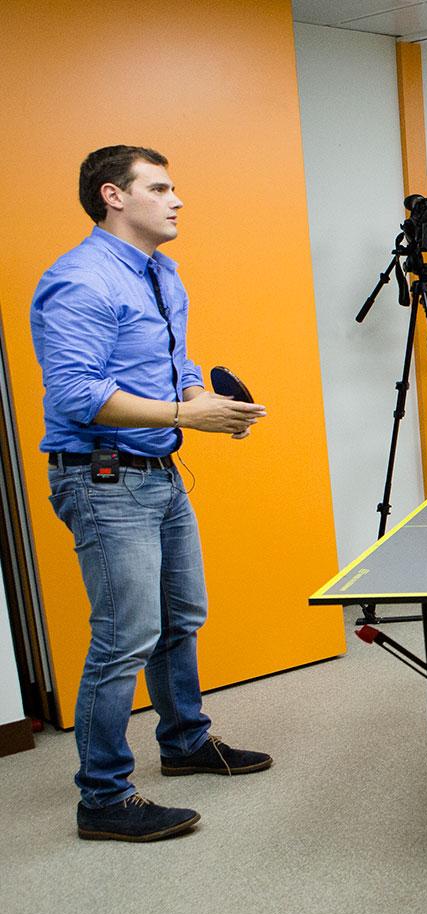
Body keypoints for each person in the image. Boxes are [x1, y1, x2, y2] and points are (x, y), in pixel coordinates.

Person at [30, 145, 272, 843]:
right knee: (123, 637)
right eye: (160, 187)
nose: (177, 199)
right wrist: (182, 415)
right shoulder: (78, 281)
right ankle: (102, 797)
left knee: (179, 619)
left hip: (157, 473)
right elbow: (77, 394)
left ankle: (185, 743)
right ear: (113, 196)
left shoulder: (161, 271)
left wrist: (202, 399)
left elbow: (175, 362)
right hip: (102, 477)